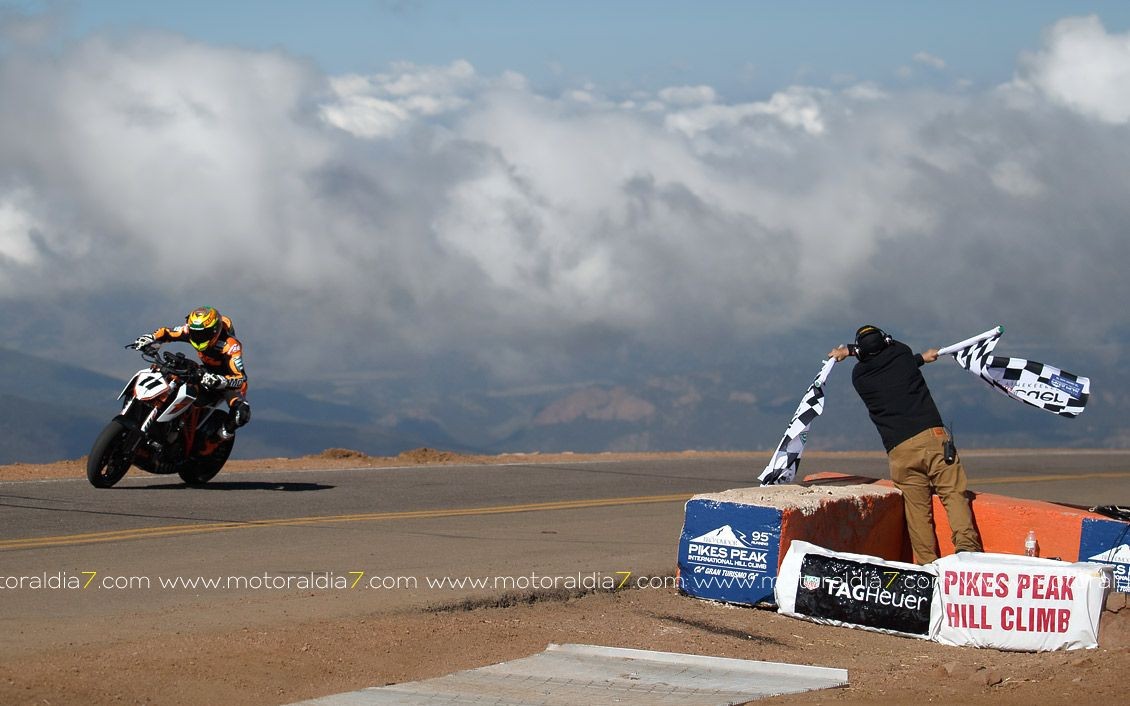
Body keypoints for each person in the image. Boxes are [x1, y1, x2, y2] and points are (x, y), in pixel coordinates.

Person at [828, 324, 981, 564]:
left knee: (917, 510)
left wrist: (847, 351)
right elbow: (900, 357)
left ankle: (926, 566)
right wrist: (851, 350)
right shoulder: (901, 354)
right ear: (887, 342)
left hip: (900, 451)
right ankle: (967, 550)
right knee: (953, 494)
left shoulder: (860, 378)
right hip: (933, 438)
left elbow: (890, 363)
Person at [134, 306, 250, 439]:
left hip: (228, 380)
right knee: (175, 376)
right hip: (205, 371)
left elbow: (240, 377)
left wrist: (221, 381)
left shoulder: (230, 345)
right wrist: (151, 338)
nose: (197, 337)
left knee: (241, 413)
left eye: (203, 334)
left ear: (214, 331)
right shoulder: (189, 330)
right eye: (195, 333)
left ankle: (218, 438)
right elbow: (167, 332)